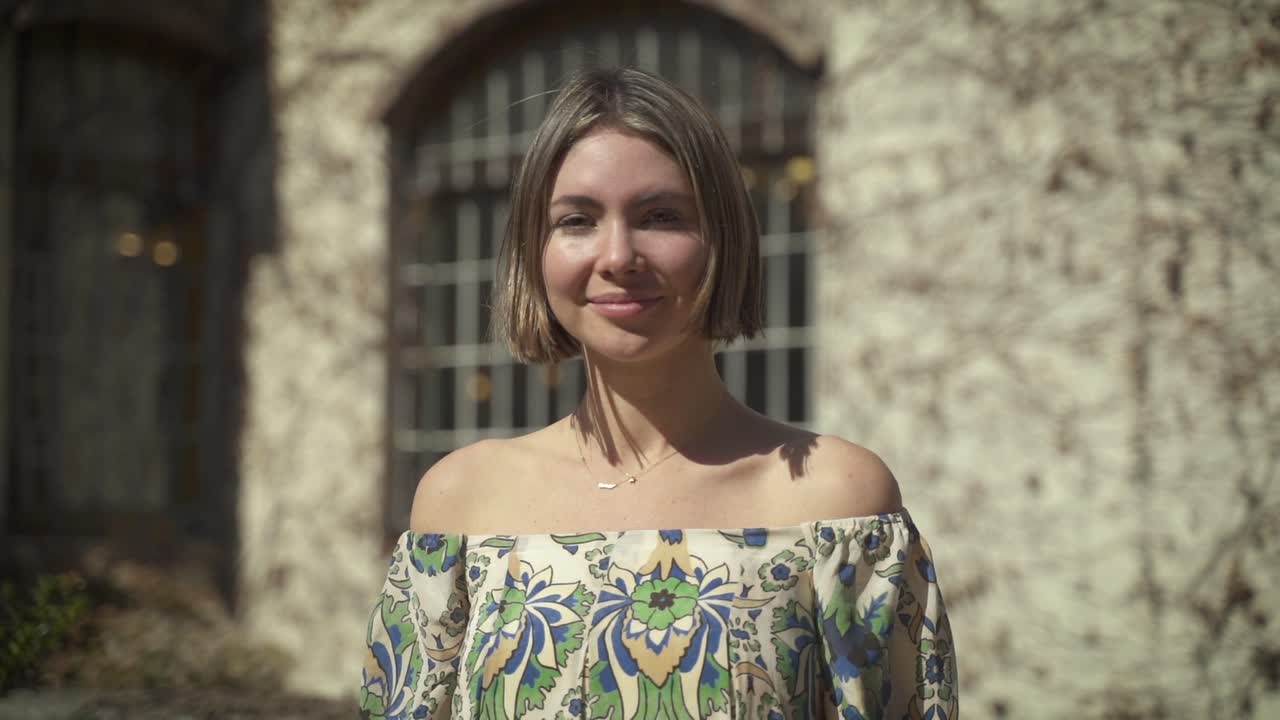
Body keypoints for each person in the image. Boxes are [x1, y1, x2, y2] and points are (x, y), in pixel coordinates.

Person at [360, 67, 957, 720]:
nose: (618, 256)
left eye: (661, 217)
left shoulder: (838, 504)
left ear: (723, 239)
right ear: (535, 252)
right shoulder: (460, 504)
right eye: (577, 220)